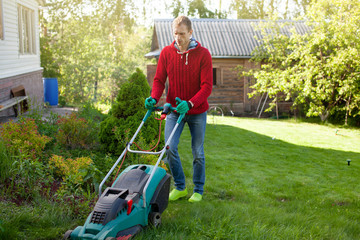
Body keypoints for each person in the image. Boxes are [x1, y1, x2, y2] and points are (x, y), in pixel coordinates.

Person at [145, 16, 213, 202]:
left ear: (190, 33)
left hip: (196, 111)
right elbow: (159, 80)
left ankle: (198, 190)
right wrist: (154, 97)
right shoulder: (167, 53)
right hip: (174, 110)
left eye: (182, 34)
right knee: (169, 147)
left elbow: (207, 86)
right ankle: (181, 187)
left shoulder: (203, 54)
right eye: (175, 33)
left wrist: (190, 103)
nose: (178, 37)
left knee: (197, 152)